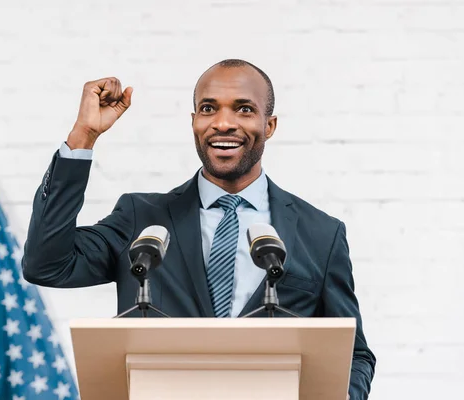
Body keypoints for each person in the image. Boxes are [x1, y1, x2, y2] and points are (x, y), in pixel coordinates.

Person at [22, 59, 376, 399]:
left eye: (244, 109)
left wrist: (346, 394)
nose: (223, 123)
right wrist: (83, 137)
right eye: (208, 109)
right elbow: (47, 265)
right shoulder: (141, 218)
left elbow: (355, 355)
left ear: (269, 125)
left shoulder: (320, 234)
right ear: (193, 121)